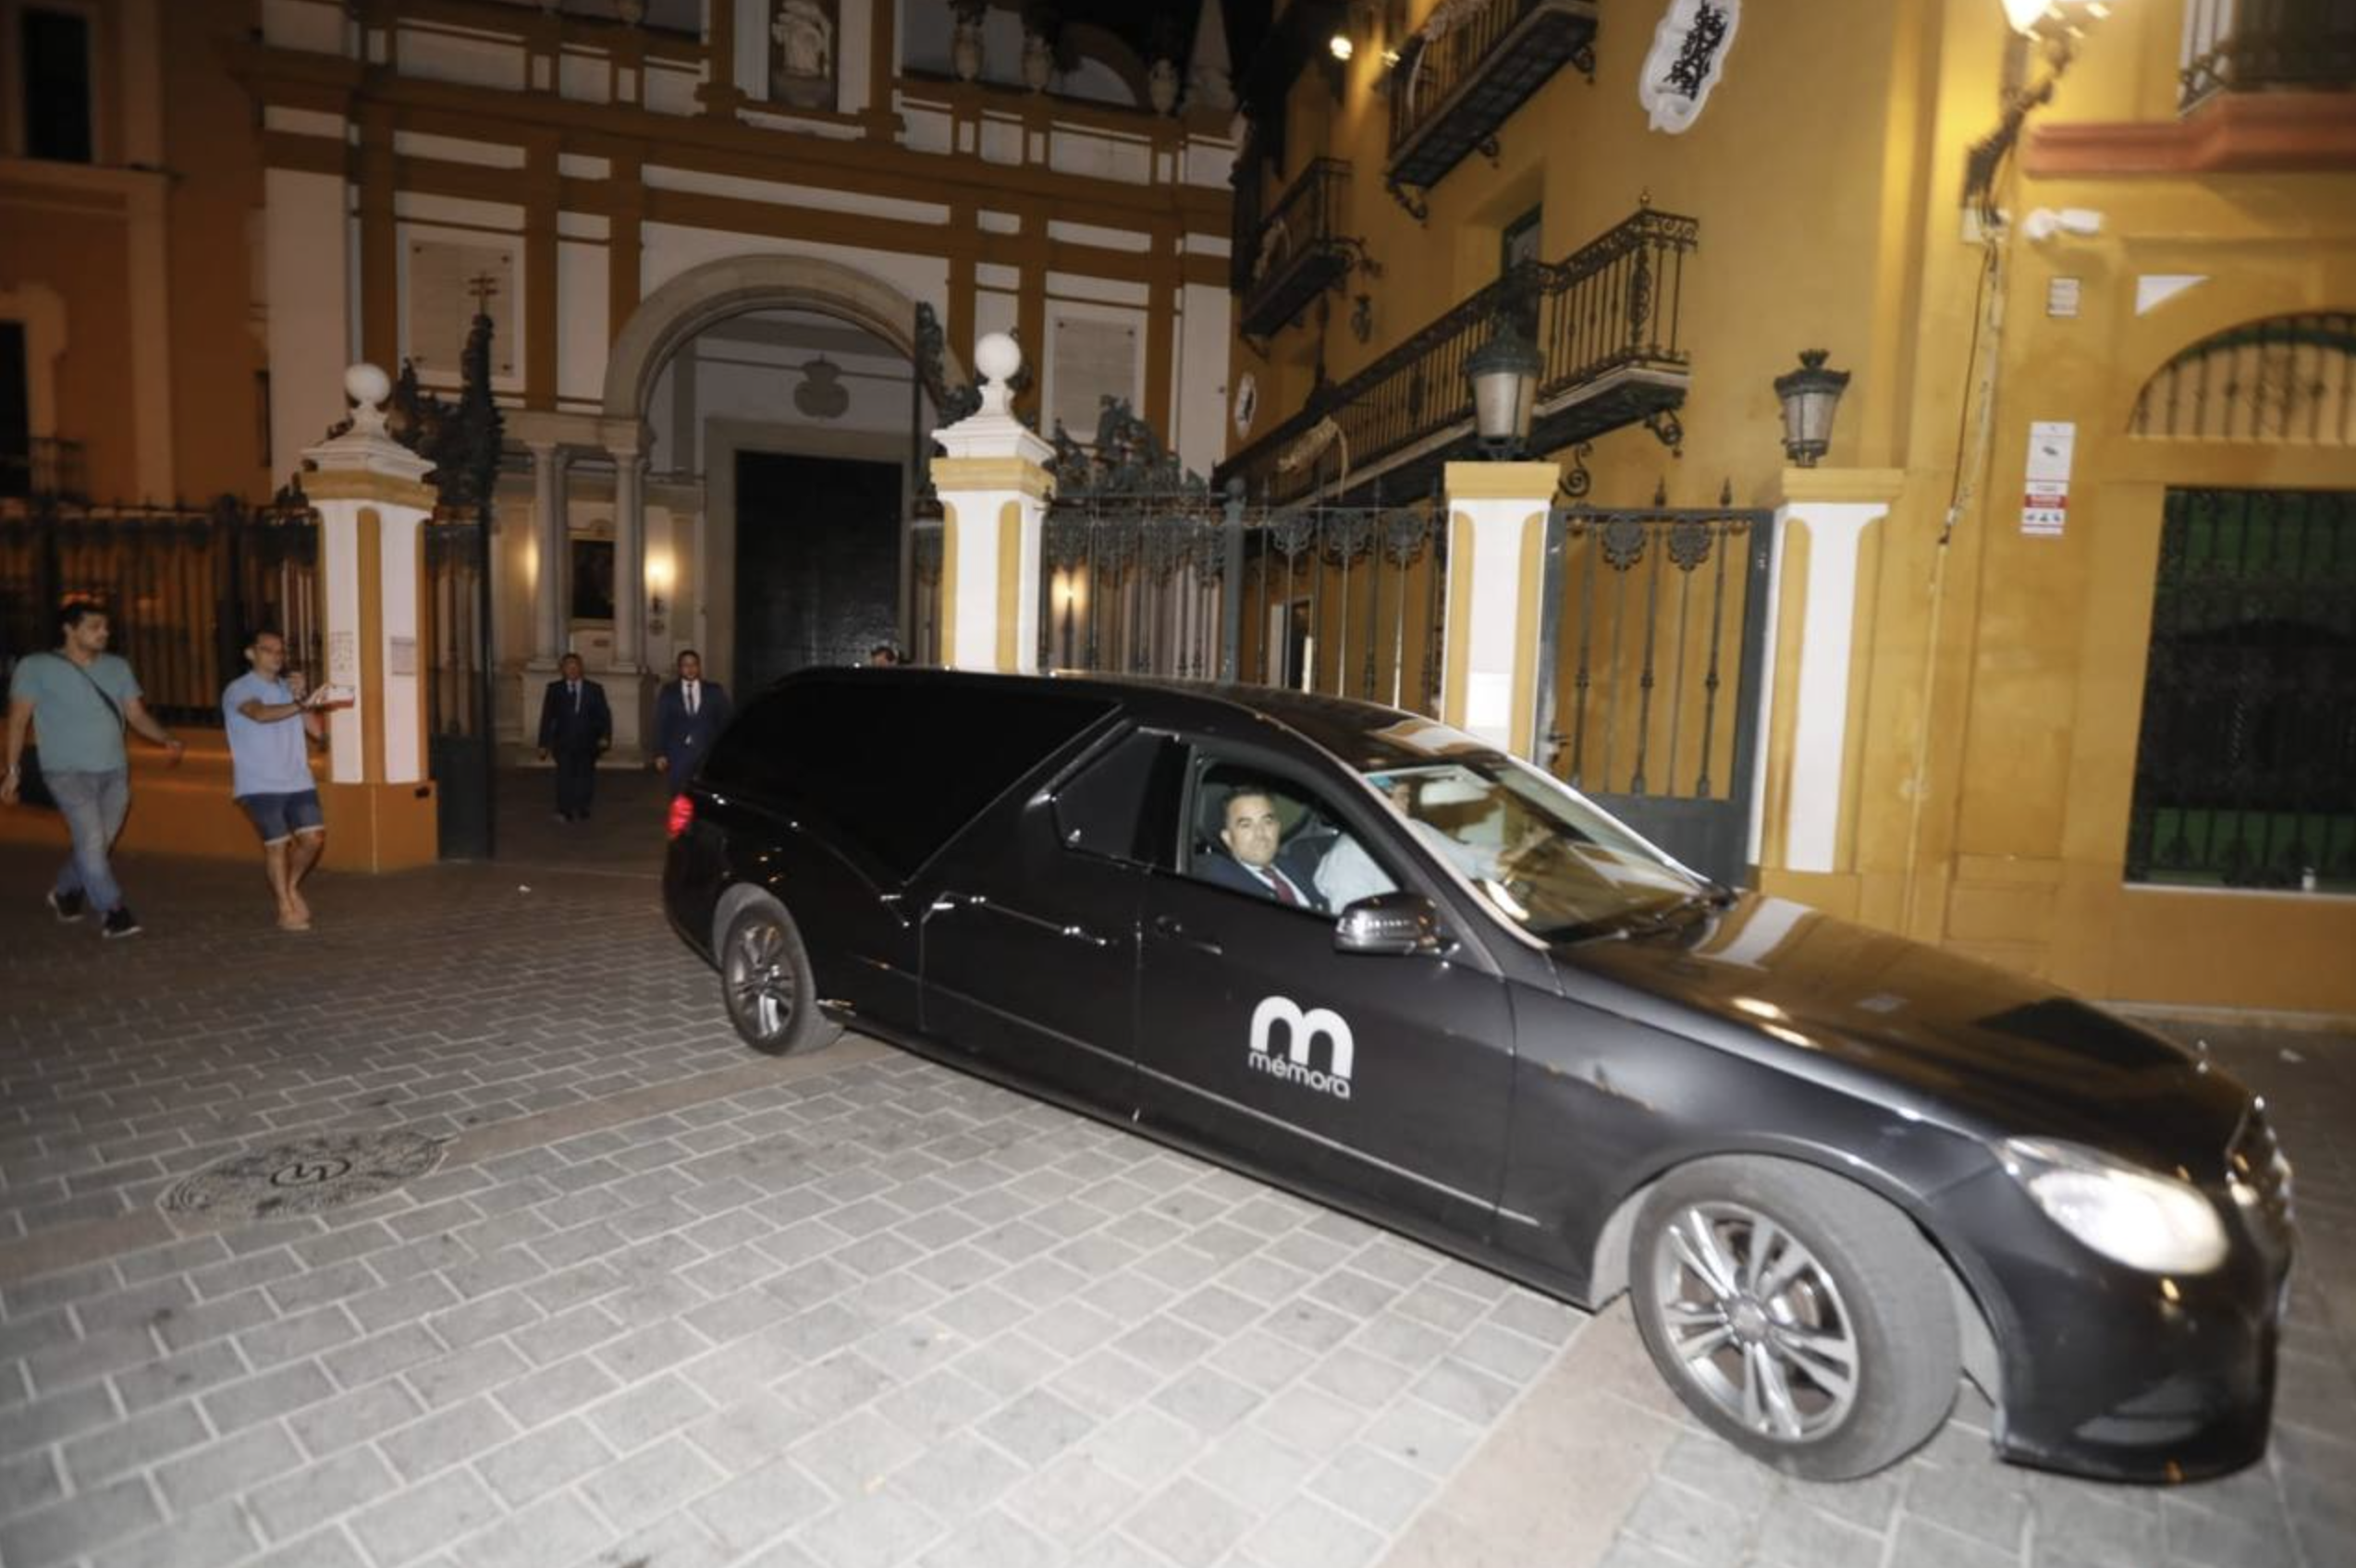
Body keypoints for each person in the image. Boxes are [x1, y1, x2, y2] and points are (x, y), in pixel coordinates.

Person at [1, 599, 186, 938]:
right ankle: (114, 912)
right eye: (94, 627)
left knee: (98, 844)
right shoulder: (36, 666)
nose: (104, 633)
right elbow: (18, 720)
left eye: (105, 627)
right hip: (65, 772)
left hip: (114, 771)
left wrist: (166, 738)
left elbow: (136, 715)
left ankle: (65, 891)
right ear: (69, 629)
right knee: (91, 839)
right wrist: (12, 771)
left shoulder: (117, 667)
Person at [223, 628, 328, 931]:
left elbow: (318, 733)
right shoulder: (239, 688)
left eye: (280, 651)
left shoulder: (288, 689)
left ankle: (291, 886)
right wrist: (297, 705)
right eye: (268, 649)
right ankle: (284, 907)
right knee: (277, 845)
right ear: (251, 654)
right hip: (259, 783)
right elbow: (259, 714)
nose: (276, 656)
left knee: (313, 839)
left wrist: (304, 698)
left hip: (298, 779)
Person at [1198, 785, 1326, 911]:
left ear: (1278, 826)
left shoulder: (1288, 864)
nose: (1260, 833)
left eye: (1267, 822)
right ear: (1228, 838)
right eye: (1246, 825)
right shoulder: (1219, 879)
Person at [536, 653, 611, 822]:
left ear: (581, 668)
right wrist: (543, 743)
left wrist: (605, 736)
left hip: (588, 741)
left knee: (585, 776)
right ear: (562, 669)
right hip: (563, 741)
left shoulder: (594, 689)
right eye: (568, 666)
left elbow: (604, 715)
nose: (572, 669)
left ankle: (583, 806)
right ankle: (565, 809)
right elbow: (547, 717)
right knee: (564, 776)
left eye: (575, 665)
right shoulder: (554, 689)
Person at [652, 648, 731, 783]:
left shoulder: (714, 690)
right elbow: (661, 723)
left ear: (699, 667)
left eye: (694, 664)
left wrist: (723, 750)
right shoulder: (669, 691)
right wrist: (660, 753)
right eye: (685, 665)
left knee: (705, 791)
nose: (690, 668)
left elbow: (725, 720)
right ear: (679, 668)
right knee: (679, 794)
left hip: (706, 751)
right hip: (678, 753)